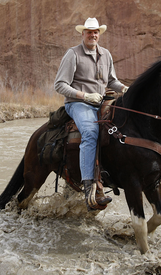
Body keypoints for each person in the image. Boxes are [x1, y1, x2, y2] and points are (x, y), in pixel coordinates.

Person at [54, 17, 128, 211]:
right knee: (90, 132)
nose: (92, 35)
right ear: (83, 34)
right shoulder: (73, 54)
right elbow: (60, 85)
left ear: (99, 34)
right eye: (89, 32)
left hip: (102, 102)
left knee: (123, 126)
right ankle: (89, 186)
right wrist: (84, 96)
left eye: (95, 32)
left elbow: (112, 81)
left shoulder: (106, 55)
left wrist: (124, 88)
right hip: (78, 104)